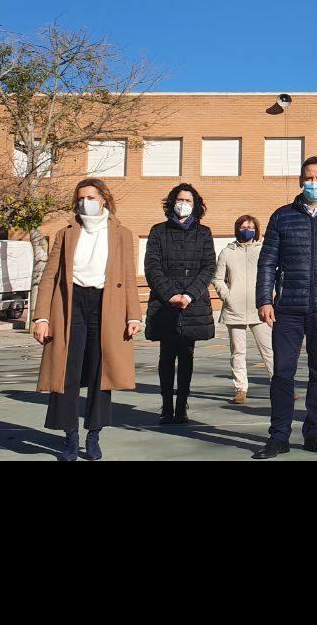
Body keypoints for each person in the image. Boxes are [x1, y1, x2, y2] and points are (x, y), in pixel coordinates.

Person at [252, 155, 317, 458]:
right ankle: (279, 436)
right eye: (308, 177)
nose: (313, 183)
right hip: (287, 308)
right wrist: (264, 299)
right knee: (282, 374)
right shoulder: (282, 216)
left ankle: (315, 432)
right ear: (301, 180)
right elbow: (267, 262)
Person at [34, 179, 142, 461]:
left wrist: (134, 315)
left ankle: (94, 435)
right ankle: (70, 437)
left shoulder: (122, 233)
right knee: (65, 372)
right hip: (70, 304)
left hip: (107, 305)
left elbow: (129, 278)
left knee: (100, 373)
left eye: (91, 197)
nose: (85, 202)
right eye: (80, 198)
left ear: (103, 199)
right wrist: (41, 317)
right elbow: (49, 278)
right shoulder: (65, 233)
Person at [144, 183, 216, 425]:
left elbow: (208, 268)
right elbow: (152, 268)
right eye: (179, 199)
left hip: (192, 306)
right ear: (172, 202)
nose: (183, 203)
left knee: (187, 356)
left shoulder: (204, 233)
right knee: (166, 357)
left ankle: (181, 404)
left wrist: (188, 296)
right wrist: (171, 294)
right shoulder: (158, 231)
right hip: (165, 305)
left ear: (195, 205)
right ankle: (166, 405)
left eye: (188, 200)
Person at [213, 214, 274, 405]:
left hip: (260, 308)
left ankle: (280, 386)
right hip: (234, 309)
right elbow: (217, 278)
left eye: (250, 226)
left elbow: (274, 274)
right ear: (237, 228)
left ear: (256, 229)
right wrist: (226, 295)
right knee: (238, 352)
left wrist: (270, 297)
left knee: (269, 350)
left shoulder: (264, 250)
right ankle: (241, 389)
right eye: (243, 226)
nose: (247, 229)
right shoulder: (227, 252)